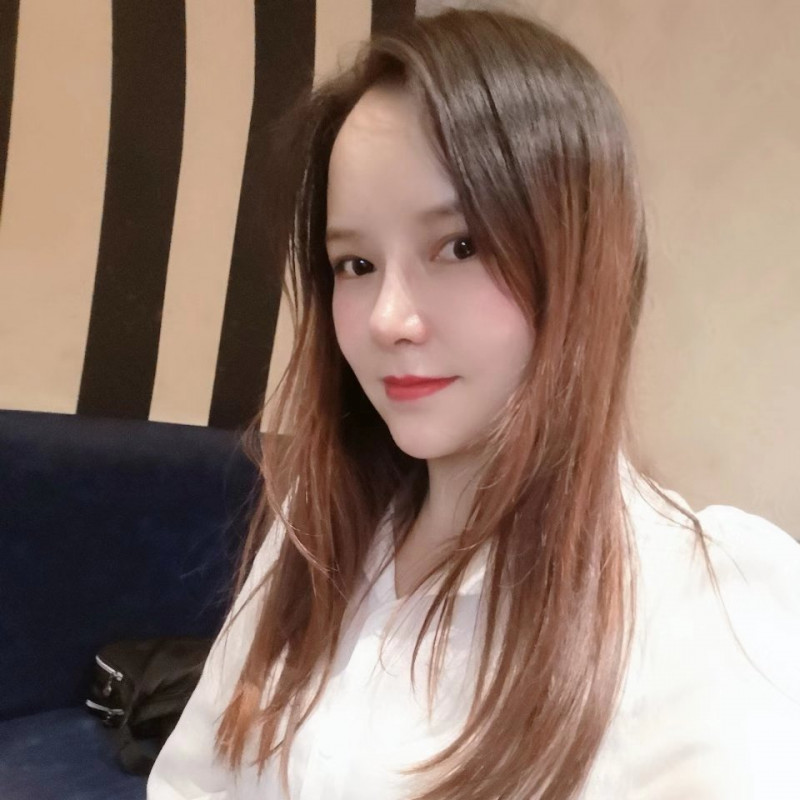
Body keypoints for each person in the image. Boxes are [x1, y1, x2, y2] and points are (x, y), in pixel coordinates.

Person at [147, 7, 800, 799]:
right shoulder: (316, 531)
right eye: (355, 264)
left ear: (580, 261)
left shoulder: (705, 608)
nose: (387, 319)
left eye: (459, 247)